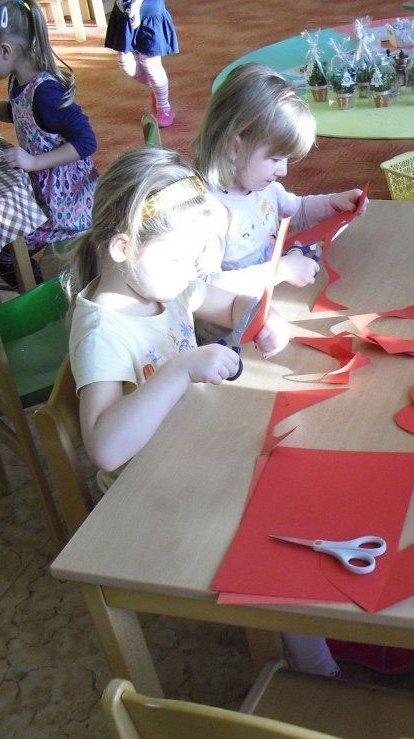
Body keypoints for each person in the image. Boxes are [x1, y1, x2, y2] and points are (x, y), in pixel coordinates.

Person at [64, 146, 344, 678]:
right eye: (181, 260)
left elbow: (227, 304)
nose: (189, 274)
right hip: (146, 490)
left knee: (306, 468)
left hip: (194, 442)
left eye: (195, 261)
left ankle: (325, 612)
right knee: (273, 526)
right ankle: (314, 665)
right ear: (123, 248)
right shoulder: (103, 331)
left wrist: (257, 320)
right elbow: (105, 449)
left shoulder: (163, 282)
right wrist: (178, 371)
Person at [192, 63, 364, 337]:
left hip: (269, 312)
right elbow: (204, 288)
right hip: (231, 337)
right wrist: (281, 270)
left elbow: (296, 211)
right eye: (275, 159)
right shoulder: (208, 212)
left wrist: (333, 202)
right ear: (234, 147)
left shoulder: (263, 187)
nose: (282, 171)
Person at [0, 0, 98, 288]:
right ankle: (44, 287)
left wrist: (34, 162)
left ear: (5, 51)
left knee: (6, 257)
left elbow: (86, 142)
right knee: (5, 244)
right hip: (48, 195)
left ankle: (46, 296)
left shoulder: (46, 93)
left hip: (67, 205)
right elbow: (16, 111)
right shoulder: (20, 80)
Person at [105, 0, 178, 128]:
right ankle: (158, 90)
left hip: (149, 11)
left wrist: (137, 4)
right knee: (126, 63)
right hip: (125, 10)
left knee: (150, 62)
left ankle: (164, 107)